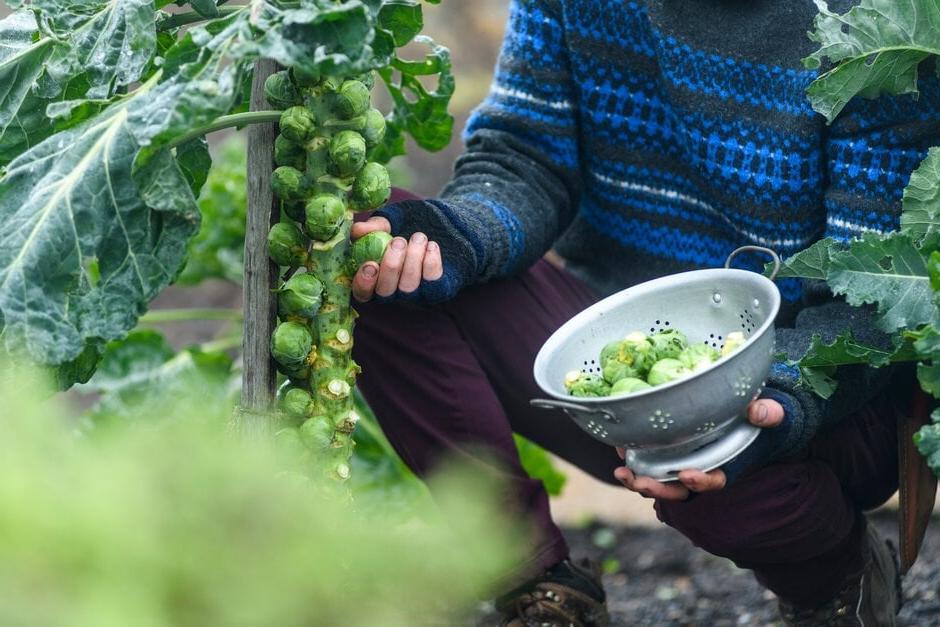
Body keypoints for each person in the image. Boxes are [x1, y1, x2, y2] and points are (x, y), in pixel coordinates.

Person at [349, 1, 940, 625]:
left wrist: (774, 402)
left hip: (823, 389)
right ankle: (536, 585)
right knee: (380, 258)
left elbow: (873, 293)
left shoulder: (868, 20)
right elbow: (527, 154)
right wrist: (455, 240)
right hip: (621, 371)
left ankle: (837, 578)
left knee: (708, 471)